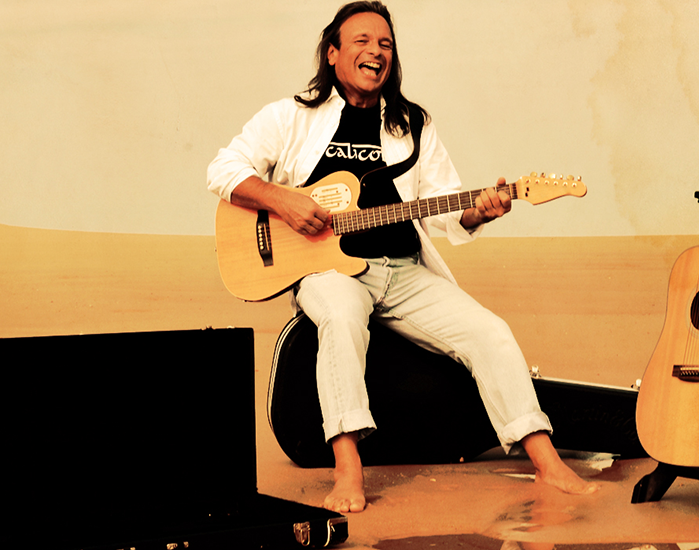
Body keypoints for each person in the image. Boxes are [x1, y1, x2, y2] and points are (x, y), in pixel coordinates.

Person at [207, 1, 599, 513]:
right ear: (332, 53)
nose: (376, 51)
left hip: (404, 271)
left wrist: (478, 212)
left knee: (491, 331)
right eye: (362, 41)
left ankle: (547, 462)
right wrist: (283, 200)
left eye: (385, 44)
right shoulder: (291, 116)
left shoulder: (411, 124)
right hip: (327, 269)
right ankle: (348, 466)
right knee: (342, 318)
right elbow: (223, 169)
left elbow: (444, 204)